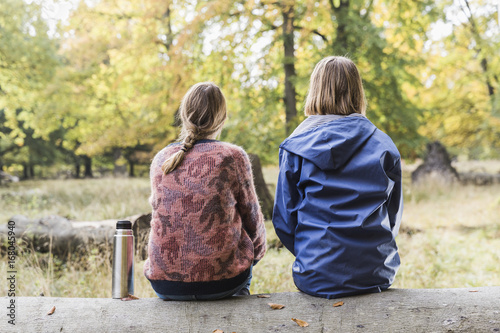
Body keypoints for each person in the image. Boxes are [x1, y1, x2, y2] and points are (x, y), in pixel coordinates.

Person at [272, 56, 403, 299]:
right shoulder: (384, 145)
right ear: (357, 92)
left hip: (315, 274)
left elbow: (283, 220)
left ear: (315, 90)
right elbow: (393, 215)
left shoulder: (295, 146)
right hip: (375, 272)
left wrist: (315, 256)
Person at [144, 82, 266, 300]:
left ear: (183, 115)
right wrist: (255, 255)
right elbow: (253, 218)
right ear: (223, 117)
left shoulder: (162, 158)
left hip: (164, 284)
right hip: (222, 283)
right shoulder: (232, 156)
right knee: (245, 261)